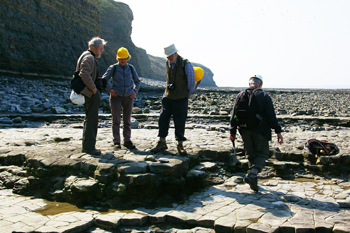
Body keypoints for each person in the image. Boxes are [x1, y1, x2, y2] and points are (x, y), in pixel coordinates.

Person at [230, 75, 283, 192]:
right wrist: (278, 131)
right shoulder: (264, 95)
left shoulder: (240, 95)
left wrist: (232, 131)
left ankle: (253, 180)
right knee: (262, 154)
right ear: (260, 84)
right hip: (260, 130)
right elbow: (271, 115)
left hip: (244, 130)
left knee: (250, 155)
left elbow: (234, 114)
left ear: (250, 84)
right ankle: (253, 174)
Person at [151, 44, 196, 155]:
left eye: (170, 55)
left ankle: (180, 144)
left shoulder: (185, 64)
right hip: (168, 97)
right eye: (167, 56)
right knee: (163, 119)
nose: (168, 58)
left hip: (181, 98)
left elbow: (191, 82)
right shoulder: (168, 63)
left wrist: (188, 94)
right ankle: (162, 142)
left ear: (175, 53)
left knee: (180, 121)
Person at [102, 47, 140, 150]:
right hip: (116, 97)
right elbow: (104, 80)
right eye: (120, 58)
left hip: (129, 97)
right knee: (116, 120)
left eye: (124, 58)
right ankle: (117, 142)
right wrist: (110, 89)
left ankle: (127, 140)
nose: (123, 60)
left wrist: (135, 91)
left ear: (128, 58)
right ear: (117, 58)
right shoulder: (113, 68)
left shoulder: (131, 68)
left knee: (127, 120)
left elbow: (137, 81)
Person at [78, 37, 107, 155]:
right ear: (96, 47)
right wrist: (94, 89)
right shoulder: (89, 57)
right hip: (90, 93)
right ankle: (89, 147)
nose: (102, 51)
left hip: (89, 92)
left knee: (89, 119)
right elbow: (84, 73)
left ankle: (87, 145)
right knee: (92, 119)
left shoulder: (86, 55)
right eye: (102, 48)